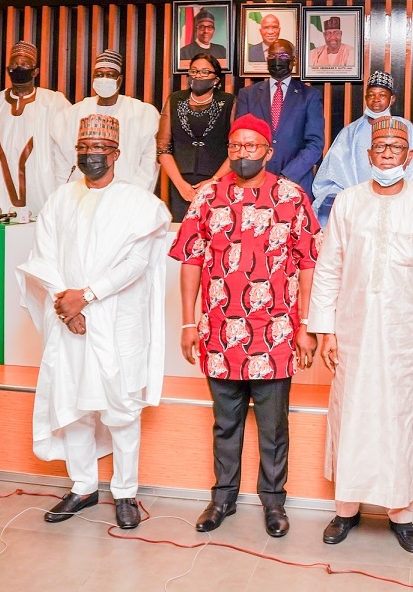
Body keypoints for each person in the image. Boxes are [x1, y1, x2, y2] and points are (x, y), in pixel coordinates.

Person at [170, 113, 320, 539]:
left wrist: (306, 324)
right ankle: (222, 498)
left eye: (251, 147)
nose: (242, 154)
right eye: (235, 147)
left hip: (276, 333)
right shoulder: (207, 197)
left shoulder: (292, 196)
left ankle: (274, 503)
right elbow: (190, 261)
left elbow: (309, 263)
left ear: (269, 152)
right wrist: (187, 322)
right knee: (225, 422)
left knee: (274, 426)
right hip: (219, 332)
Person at [17, 114, 171, 530]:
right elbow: (43, 256)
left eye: (98, 150)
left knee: (121, 409)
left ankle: (125, 492)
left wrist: (86, 296)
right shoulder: (61, 199)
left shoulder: (138, 202)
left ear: (116, 154)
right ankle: (83, 485)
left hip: (116, 319)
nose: (90, 156)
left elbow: (137, 262)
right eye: (84, 149)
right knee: (75, 405)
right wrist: (65, 304)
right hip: (68, 319)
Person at [308, 117, 413, 553]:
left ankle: (400, 513)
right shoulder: (348, 201)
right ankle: (345, 508)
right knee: (352, 413)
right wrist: (325, 330)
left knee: (399, 416)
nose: (387, 153)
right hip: (353, 329)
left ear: (408, 156)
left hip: (405, 333)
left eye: (395, 147)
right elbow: (328, 268)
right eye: (380, 146)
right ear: (368, 156)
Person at [0, 41, 71, 214]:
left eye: (25, 64)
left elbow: (68, 148)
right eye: (14, 64)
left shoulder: (53, 102)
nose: (18, 68)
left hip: (43, 189)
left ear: (35, 71)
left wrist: (63, 187)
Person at [311, 70, 413, 226]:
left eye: (382, 95)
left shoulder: (404, 128)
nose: (376, 100)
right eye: (371, 95)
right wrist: (353, 200)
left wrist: (407, 202)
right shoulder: (351, 132)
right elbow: (333, 172)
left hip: (398, 205)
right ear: (365, 98)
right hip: (358, 211)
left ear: (392, 99)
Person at [55, 50, 160, 193]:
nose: (104, 79)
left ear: (120, 80)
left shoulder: (142, 113)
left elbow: (149, 161)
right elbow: (62, 158)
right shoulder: (75, 113)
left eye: (110, 75)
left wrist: (134, 194)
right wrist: (70, 189)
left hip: (127, 194)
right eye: (99, 75)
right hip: (83, 193)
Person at [235, 39, 325, 198]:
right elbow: (240, 139)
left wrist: (288, 175)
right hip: (255, 180)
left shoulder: (310, 96)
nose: (277, 59)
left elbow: (315, 144)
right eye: (272, 55)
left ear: (293, 60)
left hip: (296, 181)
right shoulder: (247, 95)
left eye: (283, 55)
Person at [157, 53, 234, 220]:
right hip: (181, 183)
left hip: (218, 181)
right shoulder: (175, 99)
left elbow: (236, 148)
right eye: (194, 71)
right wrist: (180, 184)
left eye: (205, 72)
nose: (199, 75)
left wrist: (214, 180)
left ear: (216, 79)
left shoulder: (228, 102)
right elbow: (163, 148)